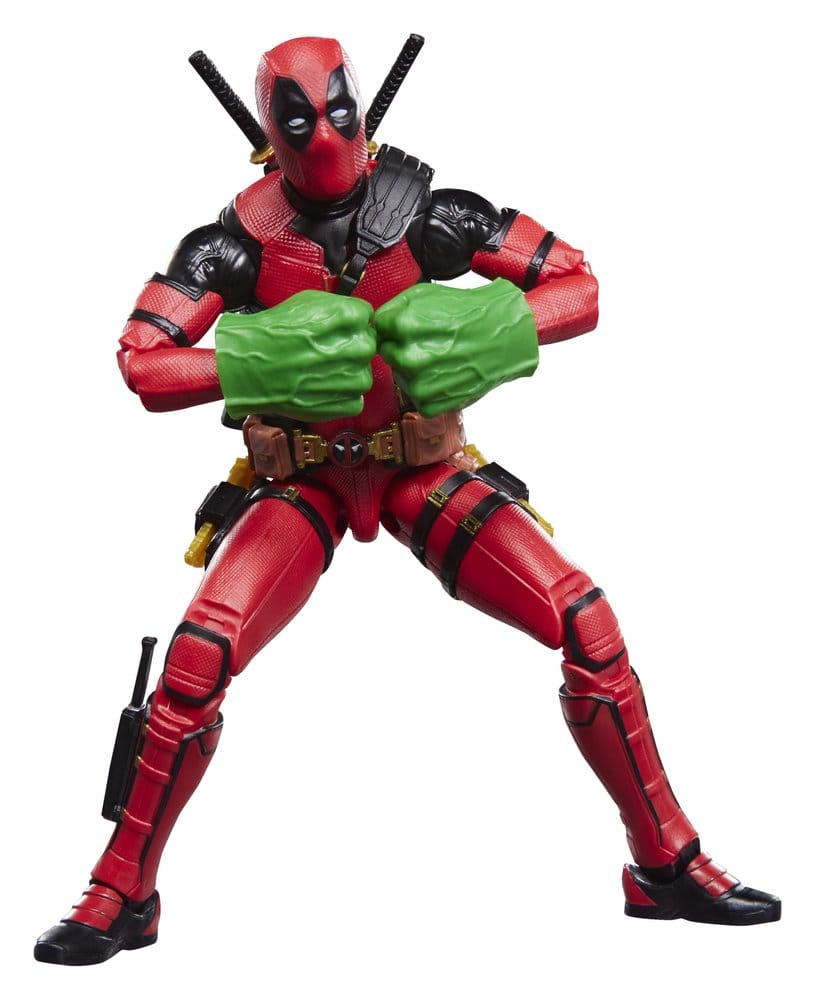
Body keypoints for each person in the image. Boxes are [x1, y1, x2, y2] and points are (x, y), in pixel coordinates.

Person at [35, 35, 780, 966]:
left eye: (336, 112)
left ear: (363, 110)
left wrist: (499, 326)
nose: (322, 137)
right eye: (297, 120)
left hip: (418, 469)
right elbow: (143, 363)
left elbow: (578, 287)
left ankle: (663, 861)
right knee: (197, 658)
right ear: (268, 131)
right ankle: (122, 890)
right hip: (301, 478)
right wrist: (249, 358)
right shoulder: (229, 246)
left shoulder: (430, 214)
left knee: (587, 623)